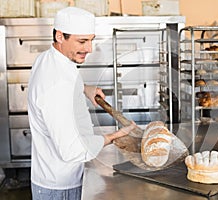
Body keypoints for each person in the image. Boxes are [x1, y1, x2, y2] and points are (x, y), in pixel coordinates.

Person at [27, 7, 136, 200]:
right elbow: (73, 150)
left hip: (51, 175)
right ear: (60, 36)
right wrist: (115, 136)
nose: (89, 49)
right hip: (61, 186)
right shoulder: (56, 85)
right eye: (82, 41)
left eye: (91, 40)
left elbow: (62, 85)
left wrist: (84, 88)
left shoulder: (49, 59)